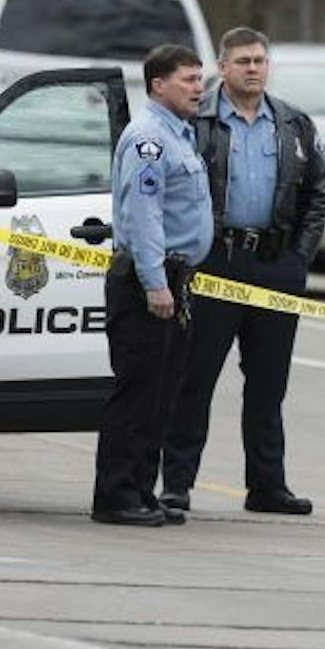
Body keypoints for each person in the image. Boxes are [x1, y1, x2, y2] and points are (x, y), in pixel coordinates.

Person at [162, 29, 325, 518]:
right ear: (223, 67)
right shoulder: (198, 121)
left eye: (260, 60)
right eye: (242, 61)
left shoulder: (294, 124)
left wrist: (299, 257)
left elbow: (317, 194)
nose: (253, 68)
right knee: (194, 380)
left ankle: (267, 485)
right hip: (216, 261)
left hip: (276, 264)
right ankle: (176, 483)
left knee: (268, 384)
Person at [91, 44, 213, 527]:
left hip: (176, 280)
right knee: (137, 392)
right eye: (188, 79)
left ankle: (142, 489)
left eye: (200, 79)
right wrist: (154, 282)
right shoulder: (148, 139)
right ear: (158, 85)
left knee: (162, 395)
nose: (198, 88)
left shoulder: (180, 135)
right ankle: (116, 495)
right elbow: (144, 216)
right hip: (149, 284)